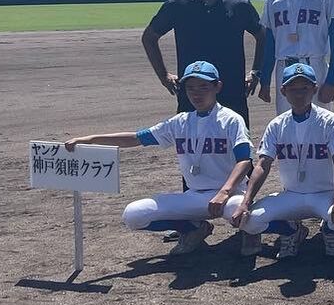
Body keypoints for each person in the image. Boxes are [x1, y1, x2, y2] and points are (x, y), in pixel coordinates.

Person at [63, 60, 253, 256]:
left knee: (246, 214)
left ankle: (250, 233)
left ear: (217, 87)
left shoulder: (231, 120)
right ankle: (195, 229)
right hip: (194, 196)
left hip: (231, 195)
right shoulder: (180, 122)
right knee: (133, 215)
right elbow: (136, 138)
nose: (196, 93)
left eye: (203, 86)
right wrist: (91, 139)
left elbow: (244, 160)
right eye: (190, 88)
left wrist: (224, 192)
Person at [226, 63, 334, 257]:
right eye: (293, 88)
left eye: (305, 88)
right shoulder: (277, 125)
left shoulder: (330, 120)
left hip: (324, 194)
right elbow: (262, 165)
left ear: (314, 89)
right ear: (283, 91)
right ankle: (291, 231)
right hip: (291, 194)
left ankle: (329, 231)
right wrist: (246, 201)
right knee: (248, 221)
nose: (299, 94)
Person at [142, 0, 264, 126]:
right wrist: (163, 75)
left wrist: (256, 72)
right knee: (191, 139)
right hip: (192, 92)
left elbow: (263, 36)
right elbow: (149, 37)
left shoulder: (239, 5)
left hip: (232, 89)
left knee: (235, 139)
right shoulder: (177, 5)